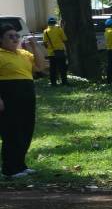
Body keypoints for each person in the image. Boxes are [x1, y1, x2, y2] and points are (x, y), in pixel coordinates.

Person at [0, 23, 38, 179]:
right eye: (10, 36)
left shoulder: (24, 54)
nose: (15, 39)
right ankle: (9, 169)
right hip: (9, 95)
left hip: (27, 95)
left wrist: (34, 47)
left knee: (26, 130)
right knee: (12, 132)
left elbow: (41, 67)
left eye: (17, 35)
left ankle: (20, 165)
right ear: (0, 40)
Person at [42, 16, 67, 86]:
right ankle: (64, 82)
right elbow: (64, 39)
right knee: (62, 67)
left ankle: (53, 83)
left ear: (48, 23)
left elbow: (44, 43)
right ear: (55, 22)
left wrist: (48, 48)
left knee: (52, 69)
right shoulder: (59, 29)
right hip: (60, 51)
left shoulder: (45, 31)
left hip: (51, 53)